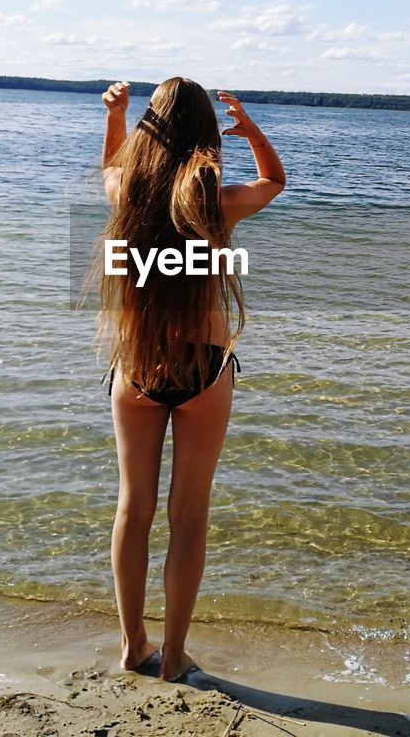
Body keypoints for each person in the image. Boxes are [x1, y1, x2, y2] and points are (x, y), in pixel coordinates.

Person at [96, 76, 285, 684]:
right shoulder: (214, 204)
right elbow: (273, 184)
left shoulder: (127, 194)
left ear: (151, 134)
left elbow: (110, 169)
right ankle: (174, 657)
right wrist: (252, 130)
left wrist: (118, 119)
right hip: (205, 371)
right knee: (190, 516)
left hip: (138, 367)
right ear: (207, 136)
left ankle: (132, 646)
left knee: (134, 509)